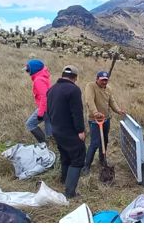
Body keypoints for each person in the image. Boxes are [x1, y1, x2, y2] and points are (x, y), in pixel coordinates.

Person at [46, 65, 86, 199]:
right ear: (75, 78)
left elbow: (49, 111)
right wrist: (80, 130)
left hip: (56, 129)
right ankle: (70, 192)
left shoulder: (51, 89)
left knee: (65, 156)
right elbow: (77, 112)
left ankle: (63, 180)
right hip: (70, 131)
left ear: (63, 75)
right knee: (78, 157)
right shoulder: (73, 90)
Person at [83, 70, 126, 173]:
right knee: (94, 143)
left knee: (105, 141)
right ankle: (86, 166)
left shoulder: (108, 89)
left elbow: (112, 101)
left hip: (106, 119)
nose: (104, 82)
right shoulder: (91, 86)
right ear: (97, 79)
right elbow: (89, 100)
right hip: (95, 120)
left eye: (106, 80)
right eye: (102, 80)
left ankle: (102, 160)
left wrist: (118, 110)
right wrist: (95, 112)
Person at [24, 59, 52, 145]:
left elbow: (44, 96)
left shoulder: (38, 80)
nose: (27, 72)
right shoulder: (43, 76)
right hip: (50, 106)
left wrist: (40, 113)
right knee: (49, 132)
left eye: (28, 70)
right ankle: (52, 146)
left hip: (45, 108)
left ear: (33, 69)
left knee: (30, 124)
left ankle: (43, 144)